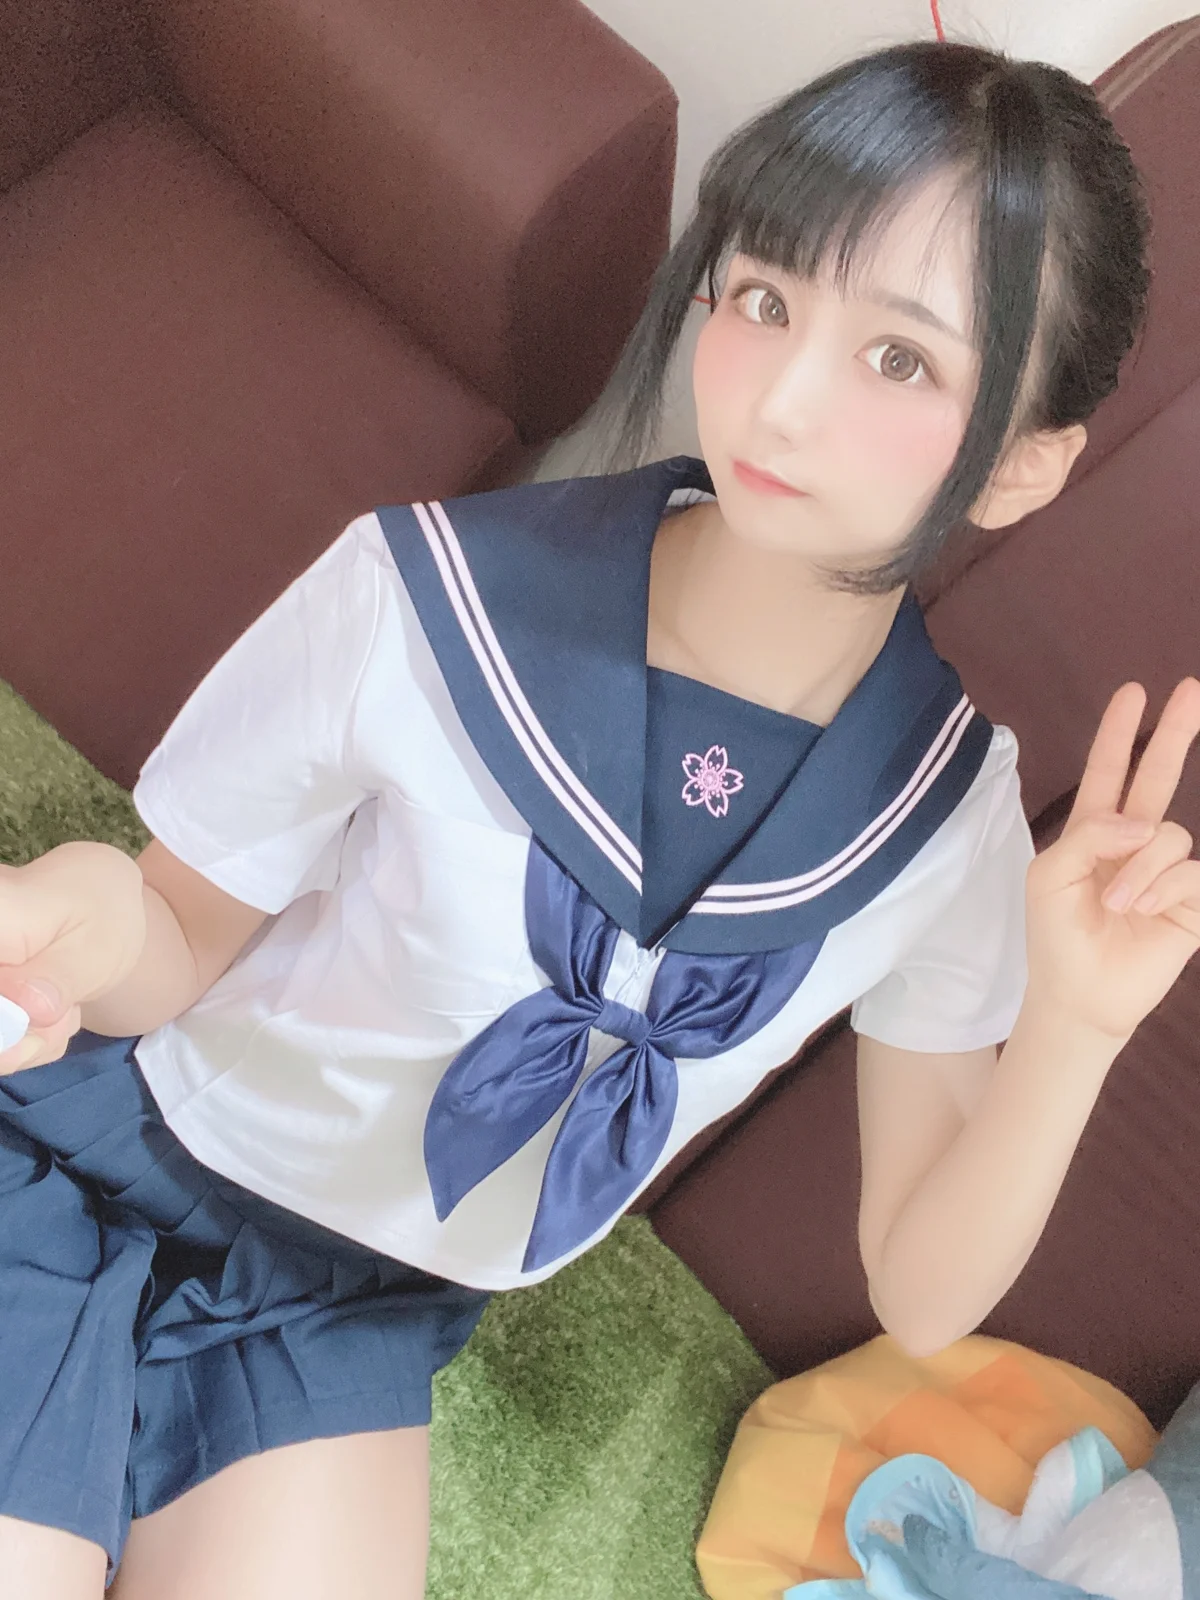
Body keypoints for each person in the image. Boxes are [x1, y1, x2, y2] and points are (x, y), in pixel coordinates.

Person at [0, 36, 1197, 1600]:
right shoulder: (422, 600)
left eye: (900, 360)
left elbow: (919, 1292)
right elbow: (175, 942)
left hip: (353, 1311)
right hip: (108, 1160)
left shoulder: (941, 827)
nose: (783, 397)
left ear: (1027, 466)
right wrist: (82, 908)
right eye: (763, 297)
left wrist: (1077, 1032)